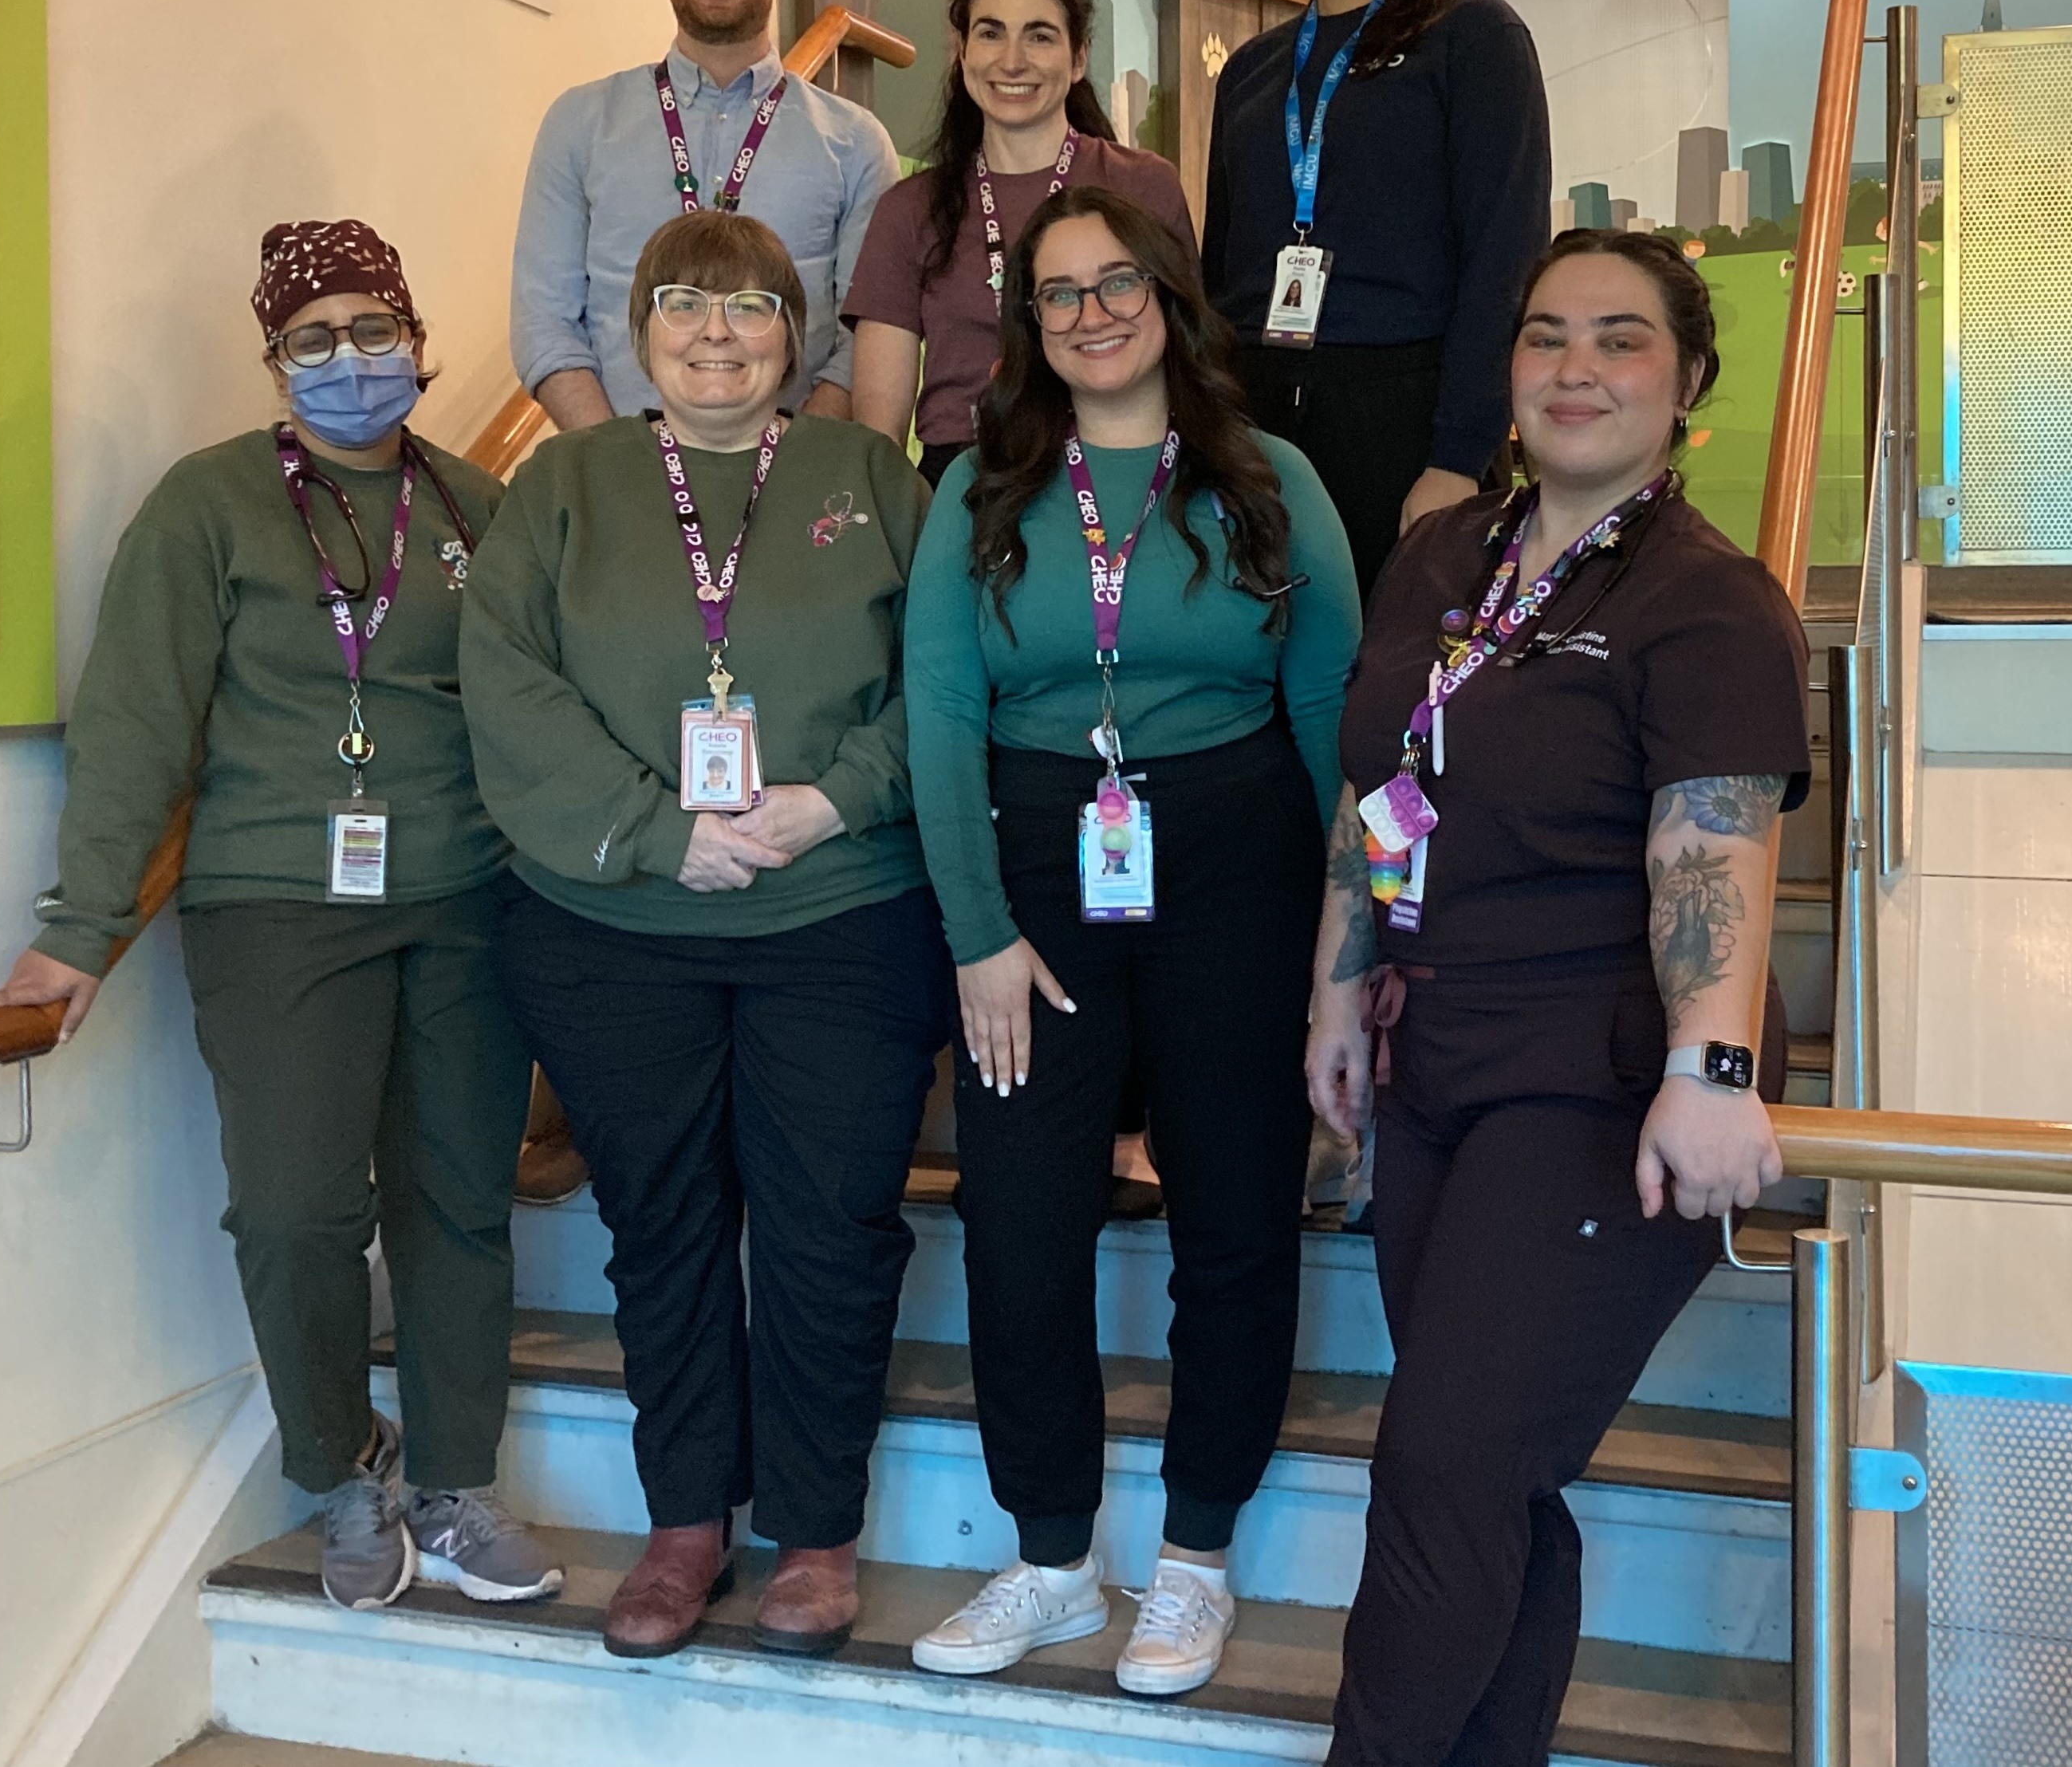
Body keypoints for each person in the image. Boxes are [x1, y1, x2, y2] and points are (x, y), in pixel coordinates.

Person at [0, 220, 557, 1615]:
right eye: (315, 338)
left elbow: (546, 704)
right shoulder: (207, 503)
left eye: (374, 330)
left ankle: (460, 1483)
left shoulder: (483, 504)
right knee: (296, 1211)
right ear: (275, 359)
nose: (351, 360)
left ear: (419, 343)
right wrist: (82, 920)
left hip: (470, 898)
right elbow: (132, 718)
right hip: (274, 902)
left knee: (460, 1201)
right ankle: (346, 1461)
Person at [1304, 230, 1810, 1767]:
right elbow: (1373, 787)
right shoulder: (1442, 554)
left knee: (1446, 1463)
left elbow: (1712, 849)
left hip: (1597, 1067)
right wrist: (1338, 985)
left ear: (1691, 380)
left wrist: (1713, 1063)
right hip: (1434, 1045)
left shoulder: (1708, 599)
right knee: (1496, 1473)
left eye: (1622, 338)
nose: (1576, 367)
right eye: (1544, 335)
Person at [459, 210, 940, 1663]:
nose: (718, 329)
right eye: (685, 301)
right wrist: (659, 826)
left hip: (840, 907)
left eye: (751, 305)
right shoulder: (567, 483)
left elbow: (945, 670)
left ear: (799, 335)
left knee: (828, 1227)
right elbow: (509, 680)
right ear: (636, 325)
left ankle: (814, 1527)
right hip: (615, 922)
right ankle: (683, 1521)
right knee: (661, 1225)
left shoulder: (872, 474)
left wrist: (832, 799)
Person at [901, 186, 1361, 1697]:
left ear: (1168, 295)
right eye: (1056, 293)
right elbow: (942, 717)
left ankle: (1195, 1560)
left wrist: (1340, 952)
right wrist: (976, 934)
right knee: (1023, 1221)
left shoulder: (1269, 478)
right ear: (1025, 323)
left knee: (1234, 1219)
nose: (1090, 313)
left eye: (1116, 284)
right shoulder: (978, 491)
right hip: (1036, 873)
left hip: (1239, 861)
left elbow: (1328, 722)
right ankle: (1051, 1555)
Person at [1202, 0, 1553, 598]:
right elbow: (1220, 279)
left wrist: (1455, 457)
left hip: (1407, 419)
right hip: (1260, 421)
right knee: (1277, 677)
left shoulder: (1474, 35)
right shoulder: (1251, 72)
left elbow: (1503, 256)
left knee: (1406, 685)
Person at [510, 0, 898, 432]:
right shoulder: (580, 124)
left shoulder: (856, 144)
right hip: (622, 469)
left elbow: (867, 334)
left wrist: (796, 457)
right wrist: (616, 458)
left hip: (792, 471)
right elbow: (544, 320)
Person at [846, 0, 1195, 489]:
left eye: (1039, 35)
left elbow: (1186, 360)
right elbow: (878, 434)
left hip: (1118, 469)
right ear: (962, 53)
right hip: (962, 481)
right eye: (990, 32)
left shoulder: (1143, 185)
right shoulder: (908, 209)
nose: (1012, 60)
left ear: (1079, 59)